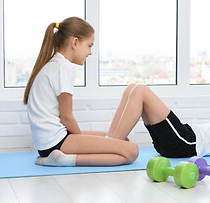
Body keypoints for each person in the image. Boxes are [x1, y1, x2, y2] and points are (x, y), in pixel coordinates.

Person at [23, 17, 138, 166]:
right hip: (56, 143)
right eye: (89, 46)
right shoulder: (65, 67)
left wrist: (85, 141)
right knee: (131, 151)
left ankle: (58, 157)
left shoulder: (56, 63)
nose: (90, 52)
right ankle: (62, 160)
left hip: (48, 143)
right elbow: (66, 117)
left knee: (120, 140)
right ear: (75, 42)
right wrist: (81, 141)